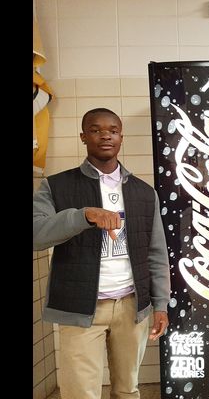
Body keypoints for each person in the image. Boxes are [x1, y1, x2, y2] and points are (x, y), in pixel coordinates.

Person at [33, 108, 171, 399]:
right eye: (95, 129)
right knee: (81, 394)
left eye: (113, 130)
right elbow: (36, 234)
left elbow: (156, 252)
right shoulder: (57, 186)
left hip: (132, 306)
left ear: (121, 137)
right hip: (81, 307)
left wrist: (160, 304)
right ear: (83, 137)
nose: (105, 134)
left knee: (127, 390)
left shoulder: (145, 192)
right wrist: (83, 216)